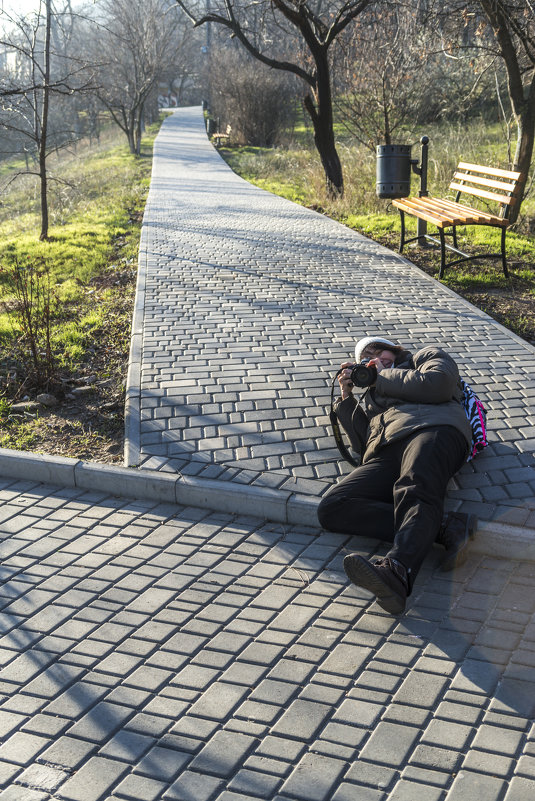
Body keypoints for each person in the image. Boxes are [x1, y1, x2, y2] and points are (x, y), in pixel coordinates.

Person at [317, 336, 477, 615]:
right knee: (333, 507)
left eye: (379, 350)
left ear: (394, 349)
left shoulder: (424, 356)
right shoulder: (373, 391)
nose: (375, 358)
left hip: (433, 429)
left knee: (413, 487)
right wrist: (347, 396)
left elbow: (439, 385)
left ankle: (396, 571)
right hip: (388, 448)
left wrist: (380, 376)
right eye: (366, 357)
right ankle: (444, 527)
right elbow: (360, 443)